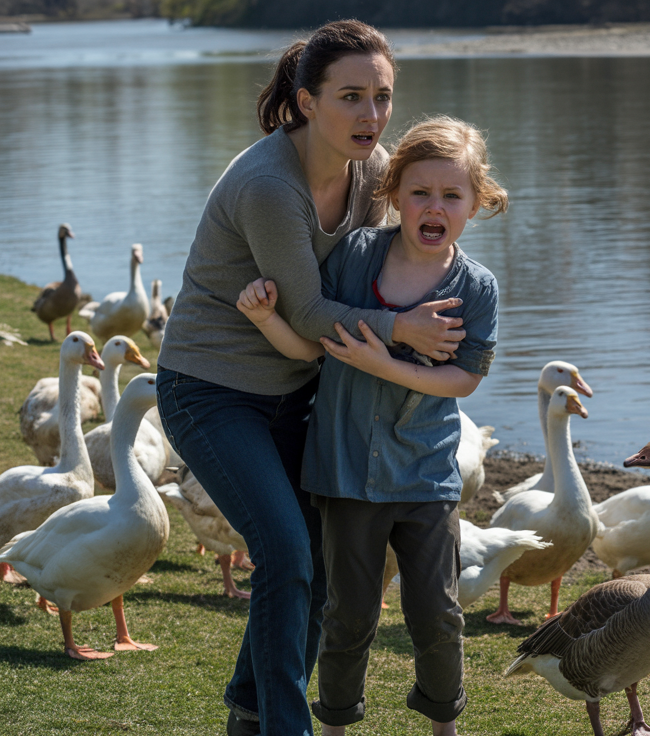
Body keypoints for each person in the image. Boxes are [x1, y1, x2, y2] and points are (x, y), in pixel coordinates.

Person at [155, 21, 467, 736]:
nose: (370, 115)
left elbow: (409, 246)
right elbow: (312, 311)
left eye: (382, 97)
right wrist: (401, 332)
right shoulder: (269, 184)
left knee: (315, 566)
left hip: (297, 391)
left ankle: (250, 714)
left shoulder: (374, 172)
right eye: (351, 96)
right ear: (305, 101)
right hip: (211, 391)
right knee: (287, 553)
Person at [236, 114, 506, 736]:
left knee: (436, 613)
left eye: (451, 195)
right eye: (419, 192)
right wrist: (266, 321)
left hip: (426, 475)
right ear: (393, 195)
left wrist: (382, 363)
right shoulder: (355, 256)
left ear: (475, 203)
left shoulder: (479, 288)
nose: (433, 206)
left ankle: (443, 725)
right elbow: (312, 341)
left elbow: (464, 380)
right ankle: (334, 726)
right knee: (349, 615)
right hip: (345, 472)